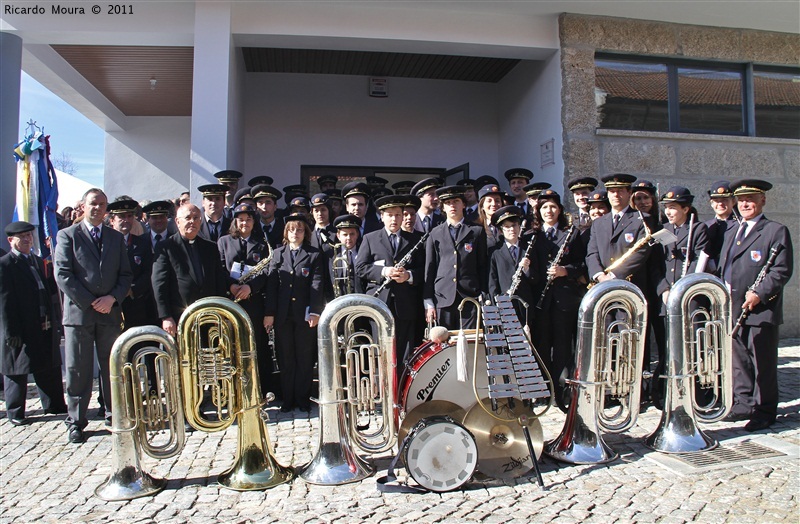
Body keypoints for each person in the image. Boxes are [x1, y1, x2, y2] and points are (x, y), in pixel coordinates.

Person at [54, 188, 133, 443]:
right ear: (83, 206)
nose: (97, 208)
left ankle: (114, 414)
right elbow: (63, 275)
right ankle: (76, 421)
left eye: (101, 204)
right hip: (80, 315)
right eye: (93, 204)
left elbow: (125, 275)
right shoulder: (67, 236)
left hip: (109, 313)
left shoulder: (115, 238)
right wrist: (91, 302)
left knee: (112, 367)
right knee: (79, 369)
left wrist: (112, 299)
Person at [718, 179, 793, 432]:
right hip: (733, 306)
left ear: (762, 200)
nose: (745, 204)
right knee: (739, 361)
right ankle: (744, 404)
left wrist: (758, 294)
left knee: (762, 362)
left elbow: (781, 270)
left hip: (759, 308)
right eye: (741, 200)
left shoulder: (775, 230)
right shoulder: (732, 230)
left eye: (751, 199)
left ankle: (765, 410)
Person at [1, 221, 68, 426]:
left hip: (43, 322)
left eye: (29, 236)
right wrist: (10, 331)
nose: (27, 240)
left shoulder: (38, 262)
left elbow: (49, 294)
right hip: (20, 325)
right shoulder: (5, 264)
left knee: (48, 364)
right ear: (11, 240)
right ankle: (15, 411)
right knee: (17, 370)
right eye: (22, 237)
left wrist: (56, 321)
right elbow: (4, 302)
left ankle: (54, 404)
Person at [528, 191, 586, 410]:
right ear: (538, 212)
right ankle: (544, 390)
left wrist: (565, 270)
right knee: (542, 345)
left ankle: (563, 391)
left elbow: (582, 263)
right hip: (540, 300)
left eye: (552, 207)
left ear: (560, 210)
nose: (549, 211)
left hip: (564, 299)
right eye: (544, 208)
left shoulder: (571, 234)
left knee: (563, 345)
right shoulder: (532, 235)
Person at [653, 187, 709, 407]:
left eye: (673, 208)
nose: (669, 212)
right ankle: (669, 391)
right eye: (666, 208)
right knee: (669, 347)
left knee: (692, 346)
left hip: (689, 298)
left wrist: (685, 287)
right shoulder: (663, 231)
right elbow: (658, 265)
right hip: (668, 298)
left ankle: (695, 392)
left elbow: (699, 260)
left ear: (686, 208)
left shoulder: (697, 229)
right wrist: (664, 289)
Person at [356, 195, 425, 372]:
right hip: (380, 302)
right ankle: (381, 393)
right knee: (379, 350)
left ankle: (401, 394)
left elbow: (424, 270)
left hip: (405, 304)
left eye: (397, 215)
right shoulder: (370, 238)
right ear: (382, 216)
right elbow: (360, 268)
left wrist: (408, 275)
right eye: (389, 215)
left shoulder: (415, 240)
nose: (394, 219)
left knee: (405, 352)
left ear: (403, 217)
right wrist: (384, 271)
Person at [264, 214, 324, 413]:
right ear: (286, 232)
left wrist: (315, 311)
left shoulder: (313, 254)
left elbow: (317, 285)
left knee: (305, 358)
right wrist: (269, 313)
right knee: (286, 358)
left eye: (299, 230)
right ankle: (288, 399)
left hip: (304, 315)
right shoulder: (278, 254)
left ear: (304, 233)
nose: (295, 234)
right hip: (283, 316)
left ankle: (303, 398)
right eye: (291, 230)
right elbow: (272, 287)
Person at [218, 203, 277, 396]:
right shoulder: (224, 241)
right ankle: (234, 388)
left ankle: (260, 387)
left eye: (249, 219)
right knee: (232, 344)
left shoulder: (262, 243)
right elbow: (218, 269)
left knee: (257, 344)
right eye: (241, 219)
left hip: (254, 301)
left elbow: (268, 272)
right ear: (235, 221)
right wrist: (231, 286)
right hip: (231, 300)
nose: (245, 223)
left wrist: (250, 287)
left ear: (254, 221)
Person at [151, 203, 228, 337]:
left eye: (196, 218)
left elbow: (219, 281)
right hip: (179, 318)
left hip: (209, 316)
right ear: (177, 221)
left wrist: (222, 312)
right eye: (187, 218)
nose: (192, 221)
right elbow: (159, 284)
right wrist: (166, 316)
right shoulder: (166, 247)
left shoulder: (210, 247)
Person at [424, 185, 487, 330]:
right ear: (443, 207)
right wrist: (428, 302)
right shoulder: (435, 233)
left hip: (470, 295)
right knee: (444, 343)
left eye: (456, 201)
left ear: (463, 204)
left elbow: (482, 265)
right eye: (448, 203)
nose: (452, 206)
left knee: (469, 341)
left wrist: (482, 294)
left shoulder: (476, 231)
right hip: (443, 296)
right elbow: (430, 268)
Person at [586, 173, 652, 292]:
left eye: (620, 190)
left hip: (631, 285)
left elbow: (641, 252)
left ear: (629, 193)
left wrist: (613, 275)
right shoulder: (598, 223)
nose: (616, 195)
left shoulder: (642, 219)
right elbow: (592, 253)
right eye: (612, 191)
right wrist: (600, 276)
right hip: (602, 286)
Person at [703, 180, 738, 273]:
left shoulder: (740, 226)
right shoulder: (705, 226)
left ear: (733, 201)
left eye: (725, 200)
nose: (720, 204)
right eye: (716, 201)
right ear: (711, 203)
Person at [326, 214, 363, 300]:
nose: (349, 238)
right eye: (345, 234)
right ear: (338, 236)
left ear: (357, 234)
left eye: (352, 234)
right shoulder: (331, 256)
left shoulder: (364, 252)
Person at [252, 184, 285, 249]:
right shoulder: (252, 228)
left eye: (268, 203)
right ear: (256, 208)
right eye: (260, 203)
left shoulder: (284, 227)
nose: (264, 207)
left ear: (275, 207)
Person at [476, 184, 506, 250]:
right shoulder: (476, 227)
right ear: (482, 205)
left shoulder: (508, 226)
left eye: (497, 200)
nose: (494, 204)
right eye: (489, 201)